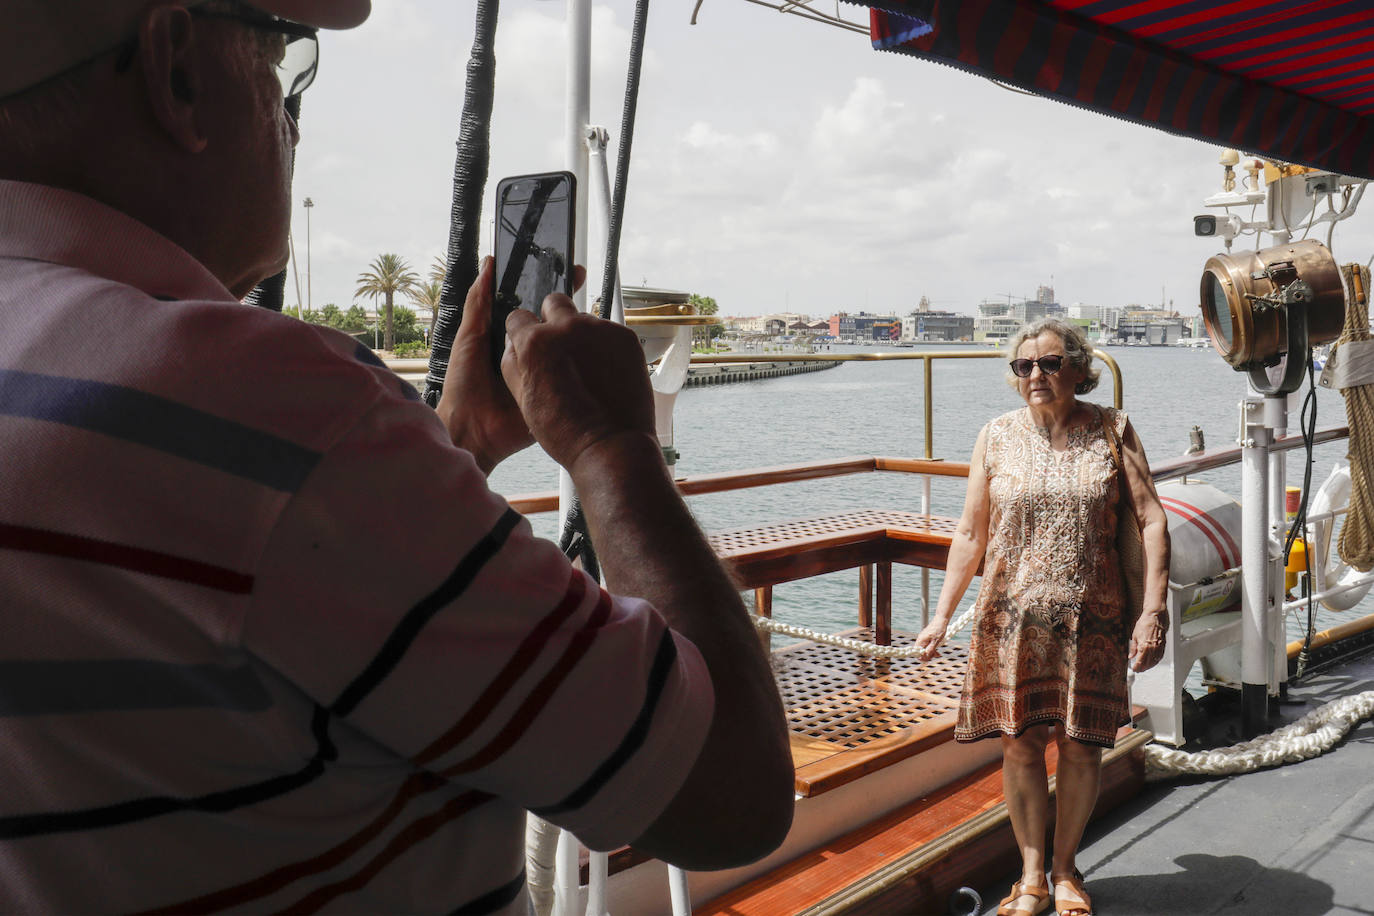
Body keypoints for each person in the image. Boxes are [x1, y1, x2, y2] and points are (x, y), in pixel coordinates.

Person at [0, 1, 793, 911]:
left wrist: (453, 444)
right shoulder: (262, 397)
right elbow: (728, 792)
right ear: (177, 69)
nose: (293, 119)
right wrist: (613, 445)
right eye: (284, 66)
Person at [914, 318, 1170, 916]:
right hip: (1010, 622)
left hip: (1095, 620)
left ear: (1080, 370)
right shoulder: (995, 437)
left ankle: (1065, 874)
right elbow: (970, 533)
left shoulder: (1113, 430)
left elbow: (1151, 519)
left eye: (1051, 364)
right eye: (1024, 366)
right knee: (1021, 746)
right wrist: (939, 614)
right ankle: (1029, 877)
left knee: (1081, 747)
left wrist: (1152, 610)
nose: (1036, 375)